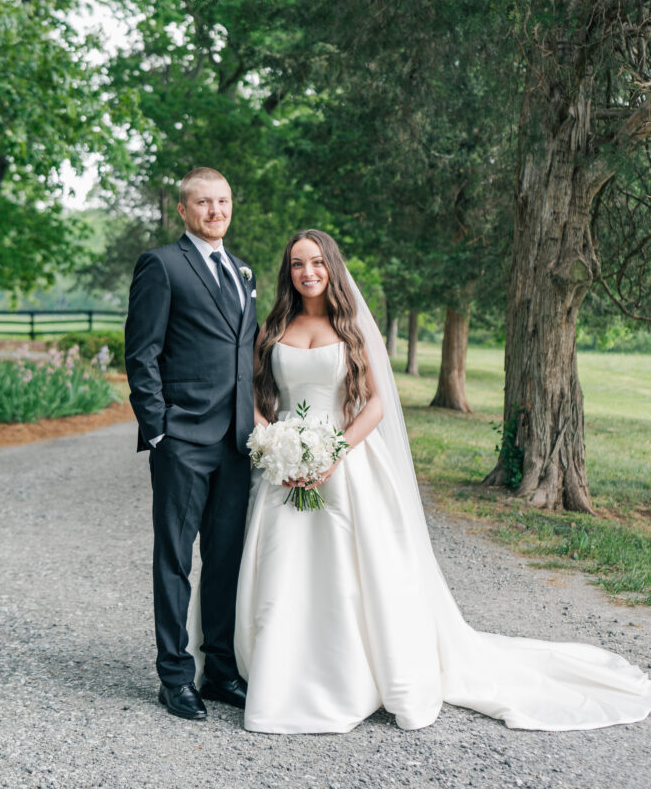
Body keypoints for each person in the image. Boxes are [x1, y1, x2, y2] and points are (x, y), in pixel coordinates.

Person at [229, 229, 651, 734]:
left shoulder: (354, 327)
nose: (307, 272)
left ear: (331, 266)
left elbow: (377, 404)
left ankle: (352, 676)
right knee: (284, 568)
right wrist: (276, 445)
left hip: (345, 464)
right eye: (297, 264)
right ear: (288, 272)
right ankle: (282, 675)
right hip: (286, 469)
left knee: (351, 575)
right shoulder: (274, 327)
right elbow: (256, 396)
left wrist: (332, 454)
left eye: (316, 262)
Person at [125, 167, 257, 721]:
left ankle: (221, 670)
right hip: (182, 441)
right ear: (183, 209)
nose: (214, 211)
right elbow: (141, 354)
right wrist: (160, 430)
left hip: (237, 442)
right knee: (175, 561)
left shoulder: (242, 270)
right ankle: (174, 676)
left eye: (222, 201)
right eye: (203, 202)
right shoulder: (163, 265)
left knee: (225, 560)